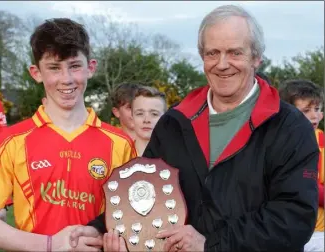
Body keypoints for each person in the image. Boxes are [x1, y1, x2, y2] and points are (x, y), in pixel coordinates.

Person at [72, 5, 320, 252]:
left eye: (234, 52)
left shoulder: (289, 127)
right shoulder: (175, 122)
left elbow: (293, 219)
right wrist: (101, 229)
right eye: (212, 53)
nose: (222, 64)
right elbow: (144, 190)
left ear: (256, 58)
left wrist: (211, 244)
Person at [0, 18, 136, 251]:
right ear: (36, 72)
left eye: (75, 66)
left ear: (91, 67)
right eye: (54, 68)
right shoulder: (11, 141)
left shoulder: (121, 144)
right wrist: (50, 244)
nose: (66, 79)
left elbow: (133, 219)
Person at [279, 79, 324, 251]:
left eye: (317, 109)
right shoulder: (279, 144)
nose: (314, 115)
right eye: (306, 110)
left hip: (319, 231)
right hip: (289, 230)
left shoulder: (322, 140)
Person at [131, 86, 167, 156]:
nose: (146, 120)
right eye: (140, 113)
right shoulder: (119, 155)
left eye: (154, 114)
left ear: (165, 119)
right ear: (132, 117)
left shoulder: (175, 158)